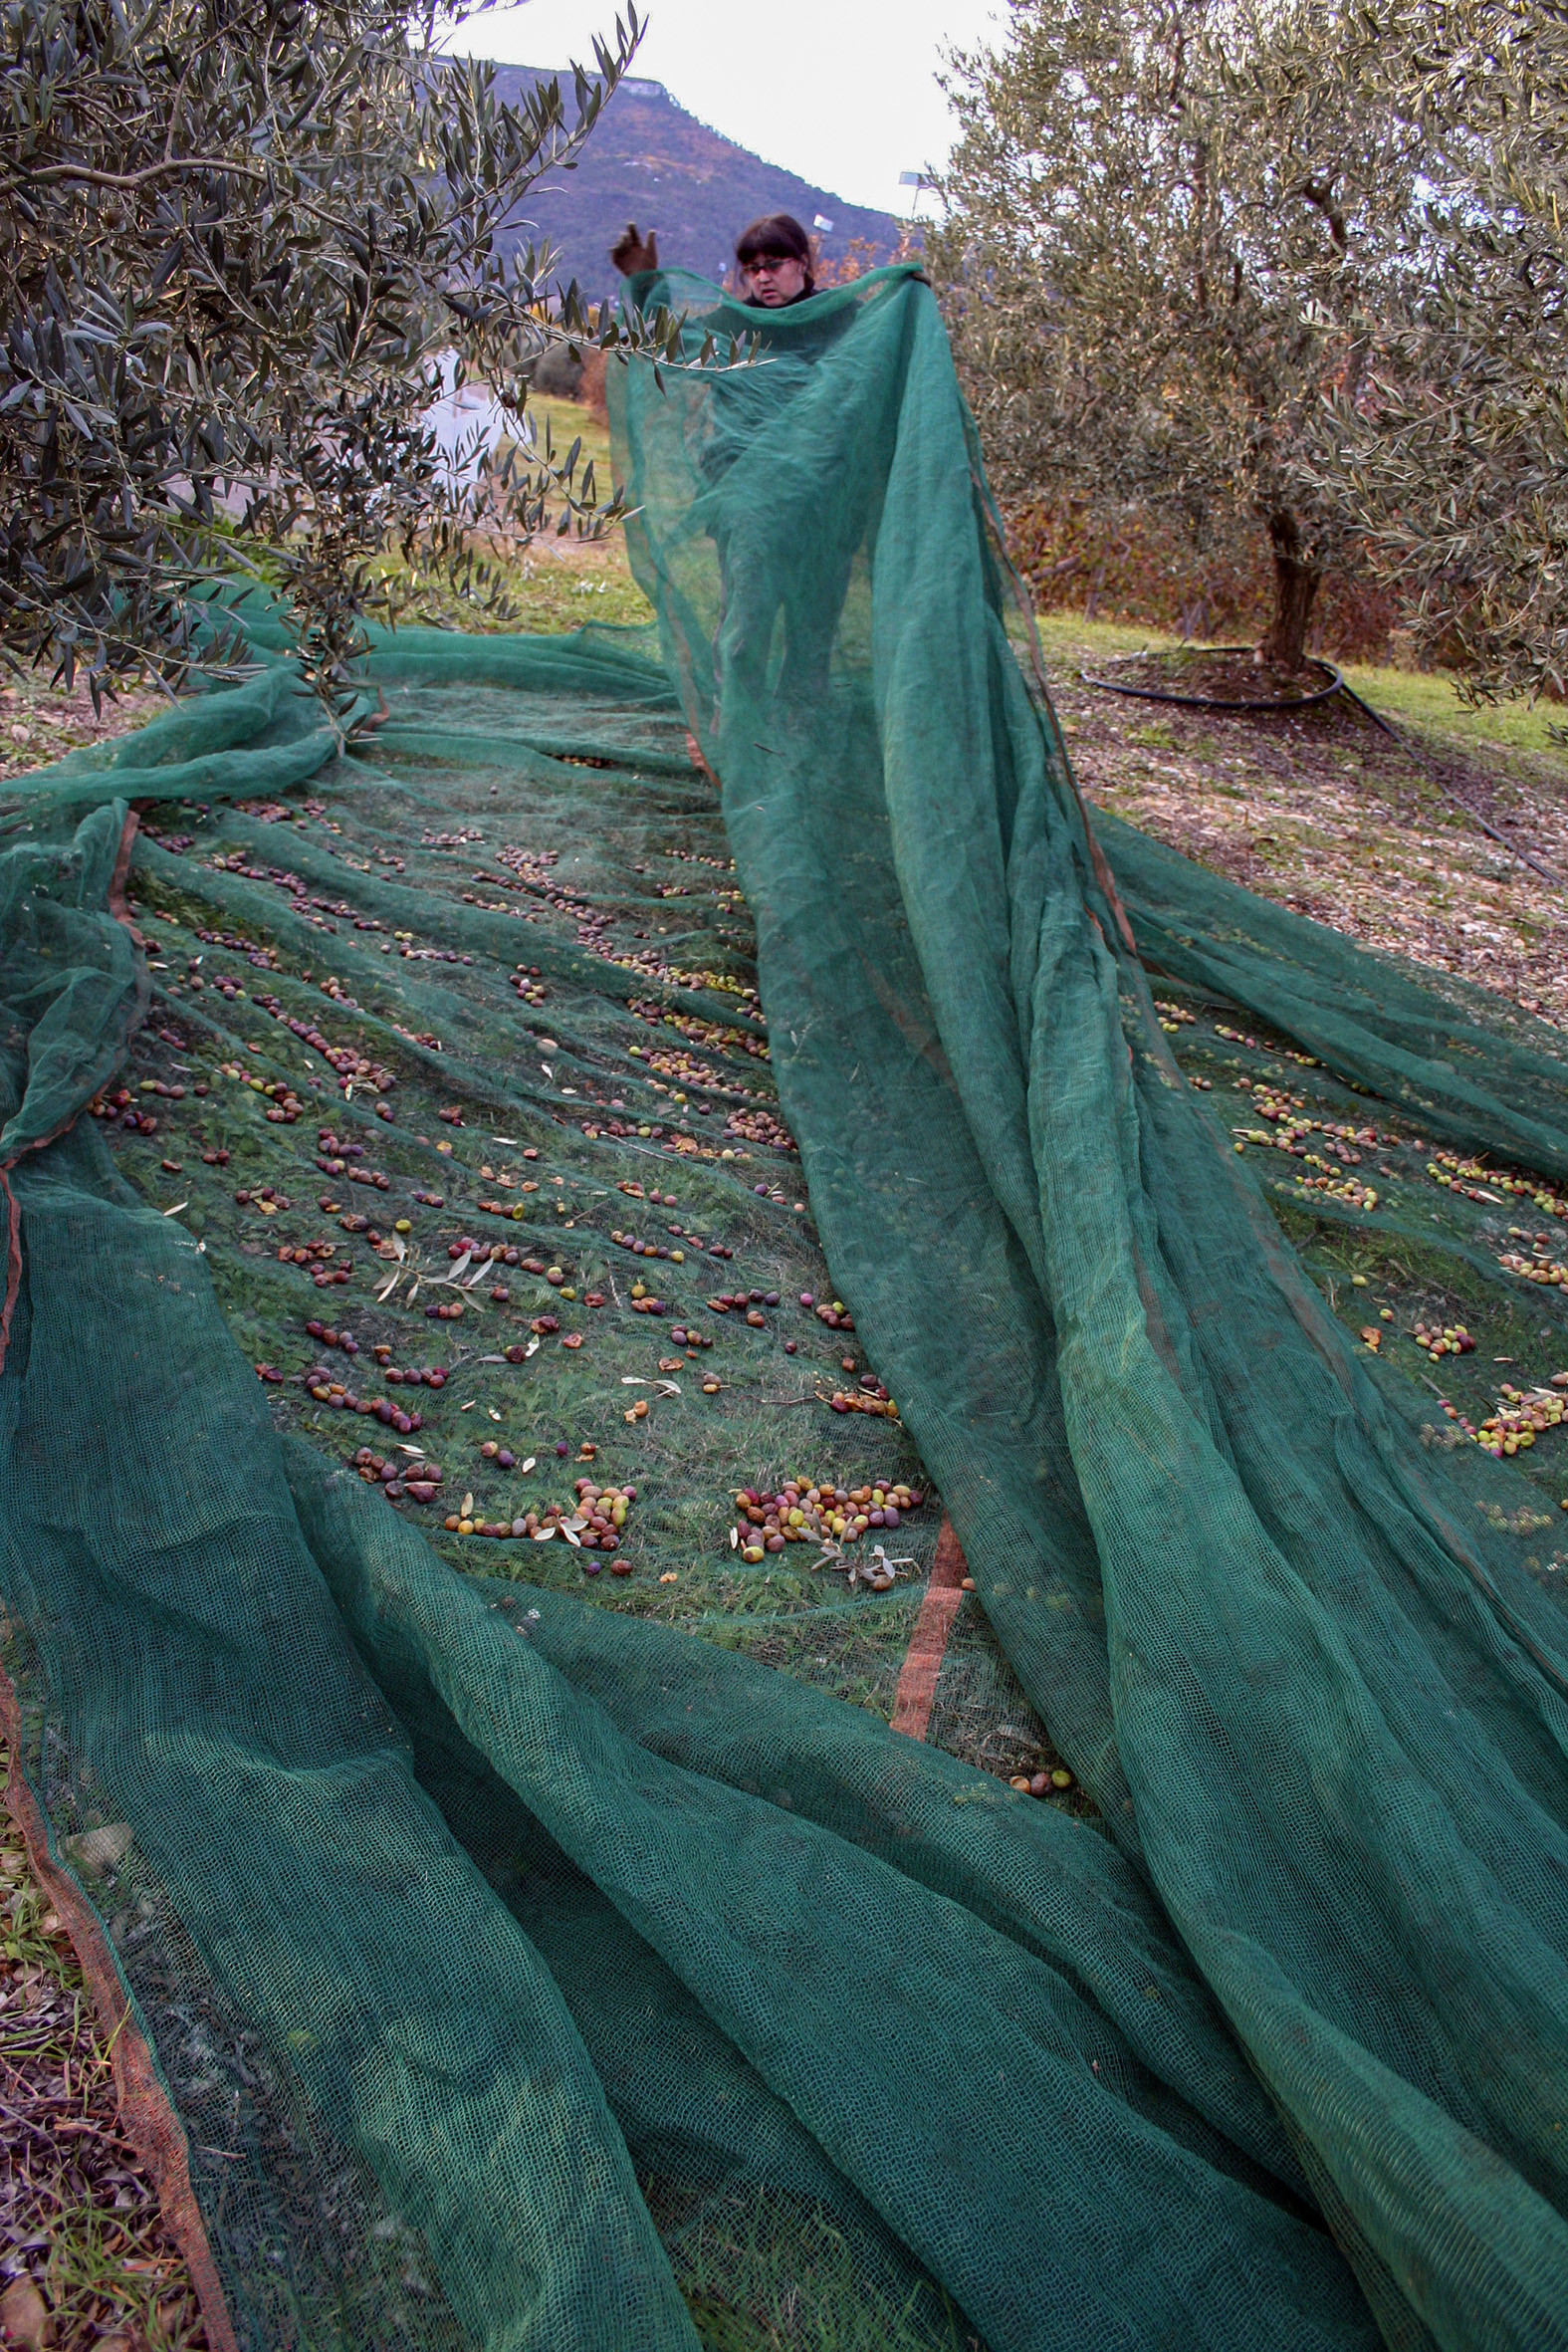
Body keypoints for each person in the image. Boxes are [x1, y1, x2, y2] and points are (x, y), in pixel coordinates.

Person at [610, 212, 817, 307]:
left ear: (803, 262)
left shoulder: (837, 317)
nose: (762, 278)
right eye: (753, 269)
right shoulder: (736, 323)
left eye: (773, 265)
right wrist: (645, 285)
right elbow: (672, 348)